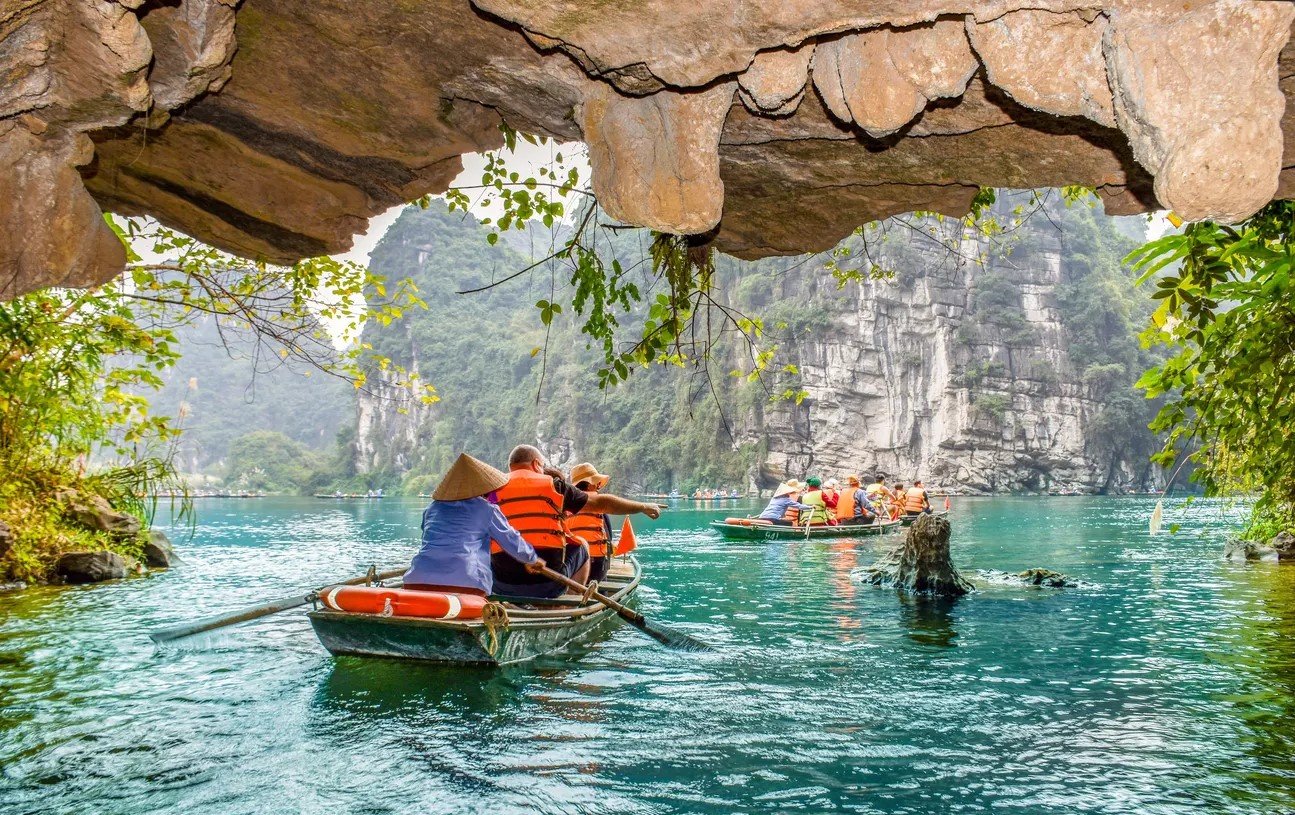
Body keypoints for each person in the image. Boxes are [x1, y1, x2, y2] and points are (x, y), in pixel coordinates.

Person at [491, 445, 660, 599]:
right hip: (548, 586)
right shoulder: (555, 487)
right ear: (536, 464)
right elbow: (602, 503)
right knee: (581, 545)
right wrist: (643, 506)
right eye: (542, 466)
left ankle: (506, 602)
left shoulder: (491, 491)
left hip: (501, 586)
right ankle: (569, 601)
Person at [403, 453, 543, 596]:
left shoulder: (431, 508)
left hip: (416, 580)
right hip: (466, 583)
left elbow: (427, 539)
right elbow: (511, 540)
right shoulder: (487, 509)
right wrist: (531, 559)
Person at [565, 461, 615, 582]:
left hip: (572, 564)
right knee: (602, 580)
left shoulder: (565, 506)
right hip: (596, 566)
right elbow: (609, 537)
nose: (598, 486)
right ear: (589, 485)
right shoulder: (599, 505)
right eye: (596, 484)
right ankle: (602, 591)